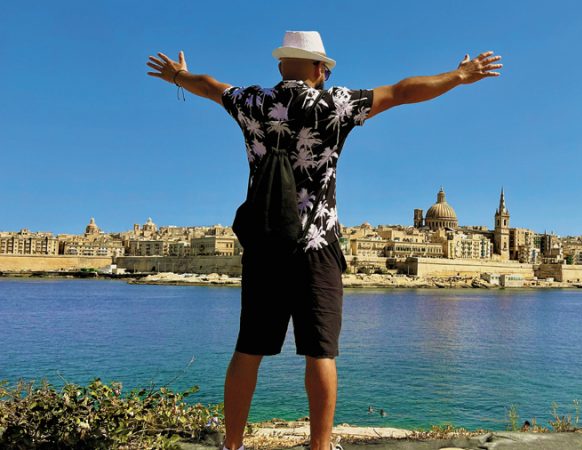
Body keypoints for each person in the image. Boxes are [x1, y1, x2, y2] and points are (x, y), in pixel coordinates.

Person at [145, 30, 502, 450]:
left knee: (248, 350)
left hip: (265, 246)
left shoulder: (252, 101)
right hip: (317, 244)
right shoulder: (335, 103)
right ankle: (320, 446)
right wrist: (458, 75)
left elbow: (210, 87)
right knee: (320, 353)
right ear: (319, 69)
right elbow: (403, 91)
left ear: (281, 66)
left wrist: (177, 76)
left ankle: (233, 445)